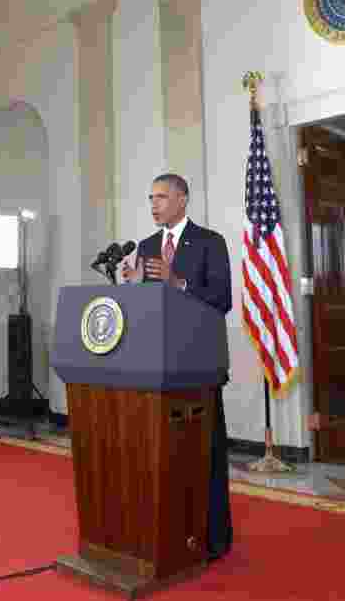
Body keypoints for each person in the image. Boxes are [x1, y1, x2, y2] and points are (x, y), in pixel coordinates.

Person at [121, 172, 233, 562]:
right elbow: (149, 307)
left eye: (161, 197)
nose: (153, 204)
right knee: (159, 457)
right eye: (150, 197)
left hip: (198, 367)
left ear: (183, 200)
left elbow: (221, 298)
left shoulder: (209, 242)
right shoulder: (147, 245)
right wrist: (135, 285)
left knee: (206, 454)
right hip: (156, 366)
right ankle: (164, 535)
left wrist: (177, 281)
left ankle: (213, 538)